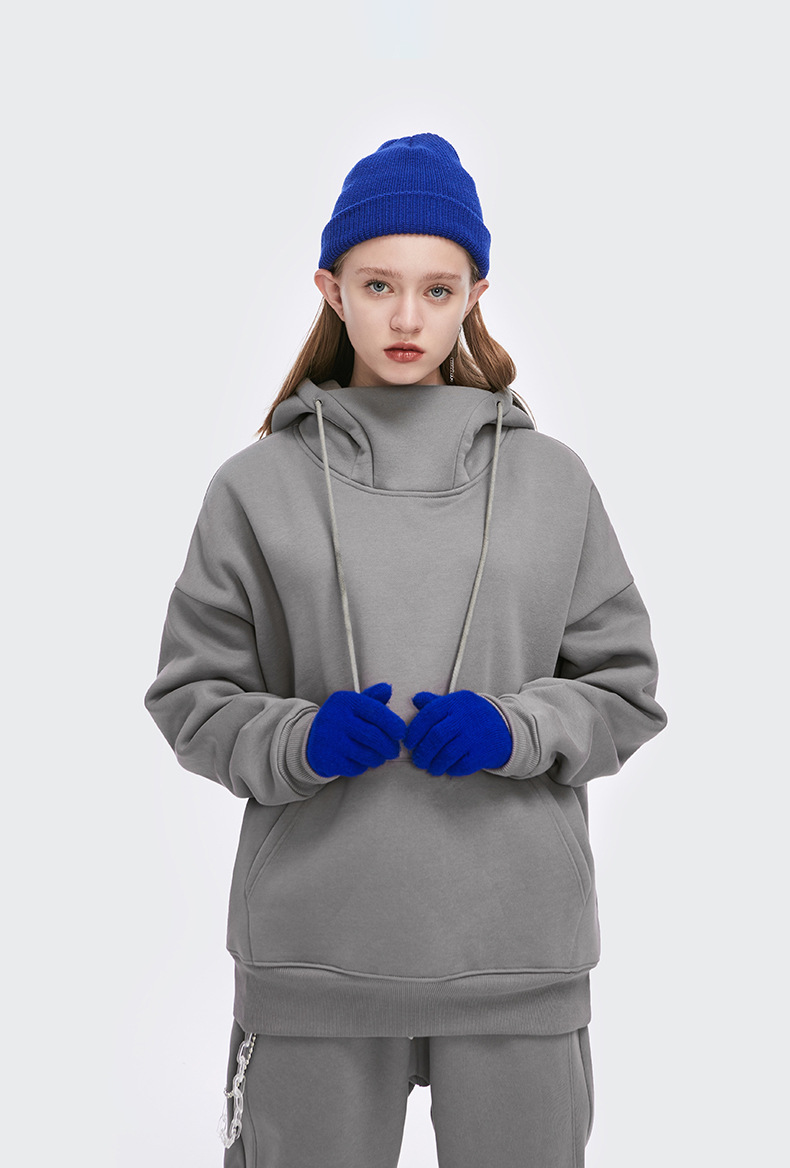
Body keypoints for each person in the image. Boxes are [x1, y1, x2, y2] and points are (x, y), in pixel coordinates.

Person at [144, 132, 668, 1168]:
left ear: (475, 294)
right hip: (315, 953)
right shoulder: (256, 486)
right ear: (331, 289)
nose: (406, 318)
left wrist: (516, 729)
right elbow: (192, 694)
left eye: (437, 290)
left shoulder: (553, 482)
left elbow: (625, 689)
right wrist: (298, 738)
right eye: (379, 285)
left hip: (515, 951)